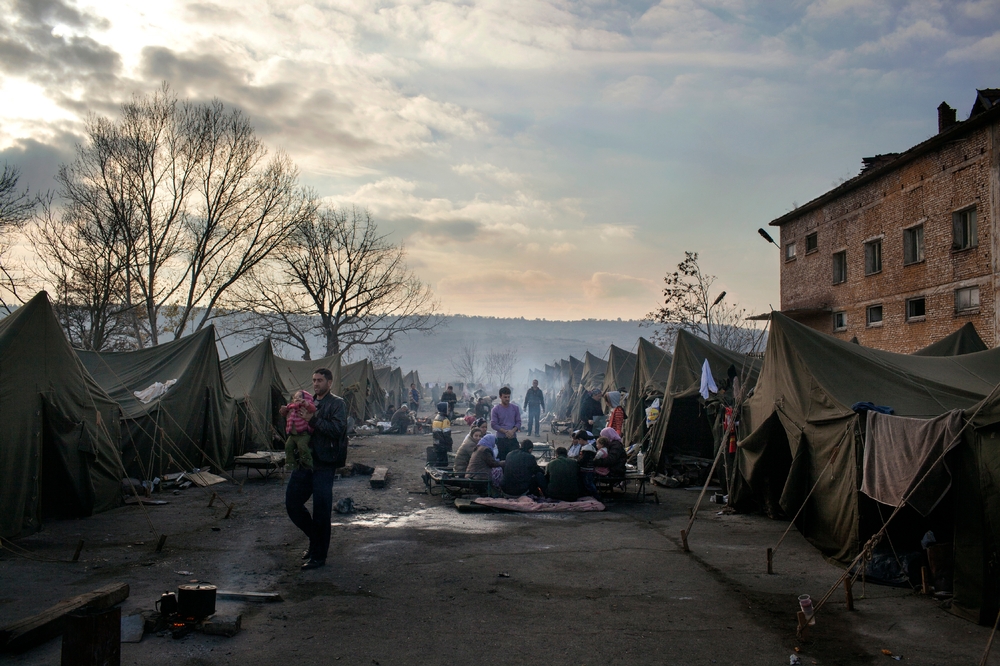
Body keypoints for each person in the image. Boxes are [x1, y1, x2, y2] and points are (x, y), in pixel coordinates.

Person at [284, 368, 347, 571]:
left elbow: (337, 430)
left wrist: (314, 420)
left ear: (329, 382)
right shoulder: (308, 401)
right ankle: (314, 538)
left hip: (324, 463)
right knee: (292, 503)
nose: (316, 383)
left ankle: (319, 556)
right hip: (305, 461)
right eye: (313, 380)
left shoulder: (337, 403)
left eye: (320, 380)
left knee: (321, 510)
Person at [283, 390, 317, 471]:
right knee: (288, 446)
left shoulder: (305, 407)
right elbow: (285, 409)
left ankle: (307, 461)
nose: (297, 398)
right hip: (293, 434)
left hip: (303, 434)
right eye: (295, 397)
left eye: (300, 397)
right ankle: (290, 463)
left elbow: (312, 408)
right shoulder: (291, 407)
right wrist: (284, 409)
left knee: (302, 445)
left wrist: (306, 403)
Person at [490, 386, 521, 461]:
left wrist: (512, 431)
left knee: (515, 460)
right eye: (505, 397)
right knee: (502, 461)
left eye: (508, 397)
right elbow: (493, 424)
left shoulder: (515, 408)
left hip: (513, 439)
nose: (507, 399)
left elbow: (518, 422)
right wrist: (505, 431)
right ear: (500, 397)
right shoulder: (495, 409)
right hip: (501, 439)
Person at [431, 401, 453, 466]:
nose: (449, 410)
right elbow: (447, 434)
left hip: (436, 443)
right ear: (444, 409)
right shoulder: (445, 420)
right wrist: (450, 443)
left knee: (439, 459)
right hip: (443, 444)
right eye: (448, 408)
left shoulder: (436, 418)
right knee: (444, 462)